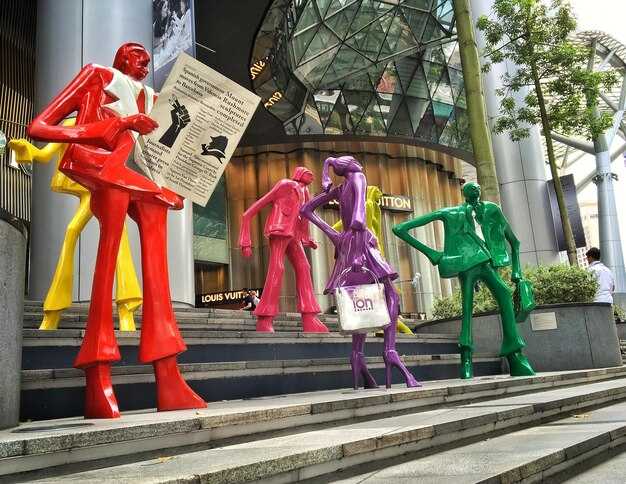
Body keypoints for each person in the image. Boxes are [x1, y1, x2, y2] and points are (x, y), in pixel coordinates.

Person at [27, 42, 206, 418]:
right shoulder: (98, 75)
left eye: (147, 57)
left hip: (149, 182)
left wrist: (182, 175)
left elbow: (162, 148)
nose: (145, 61)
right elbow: (40, 127)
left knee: (158, 274)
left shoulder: (156, 98)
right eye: (138, 55)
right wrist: (120, 124)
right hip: (108, 170)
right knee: (107, 257)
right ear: (123, 57)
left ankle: (168, 374)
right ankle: (97, 368)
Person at [393, 182, 535, 379]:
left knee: (502, 295)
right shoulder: (450, 212)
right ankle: (467, 359)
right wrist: (433, 254)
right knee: (467, 308)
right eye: (472, 189)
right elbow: (400, 228)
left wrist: (516, 271)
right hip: (467, 264)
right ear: (465, 194)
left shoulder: (491, 209)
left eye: (477, 189)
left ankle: (513, 353)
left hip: (486, 261)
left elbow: (514, 241)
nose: (475, 191)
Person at [9, 125, 142, 332]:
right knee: (73, 232)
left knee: (118, 233)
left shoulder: (110, 124)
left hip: (108, 188)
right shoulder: (72, 125)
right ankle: (53, 310)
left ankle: (126, 309)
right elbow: (44, 154)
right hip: (91, 190)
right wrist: (26, 148)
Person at [301, 156, 419, 390]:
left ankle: (357, 358)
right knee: (391, 296)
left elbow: (306, 209)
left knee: (360, 302)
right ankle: (390, 352)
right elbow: (359, 218)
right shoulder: (358, 177)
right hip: (360, 243)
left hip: (347, 245)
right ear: (351, 165)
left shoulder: (339, 188)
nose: (359, 164)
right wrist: (355, 249)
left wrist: (336, 236)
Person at [239, 166, 329, 333]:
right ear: (300, 174)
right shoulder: (285, 185)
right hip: (280, 230)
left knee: (304, 267)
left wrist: (306, 238)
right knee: (277, 267)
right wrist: (245, 241)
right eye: (309, 173)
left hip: (293, 234)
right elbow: (249, 212)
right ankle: (265, 318)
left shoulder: (305, 191)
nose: (312, 177)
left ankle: (309, 317)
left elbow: (304, 216)